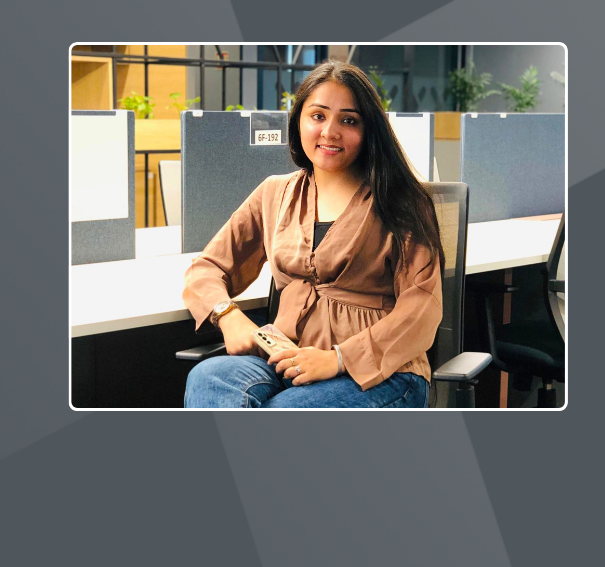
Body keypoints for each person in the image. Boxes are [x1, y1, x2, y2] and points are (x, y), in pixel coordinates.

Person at [182, 61, 446, 408]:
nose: (330, 132)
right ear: (299, 122)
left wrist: (337, 359)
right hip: (288, 359)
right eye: (318, 116)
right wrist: (227, 316)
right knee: (209, 378)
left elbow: (422, 307)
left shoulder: (402, 201)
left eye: (348, 120)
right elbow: (206, 270)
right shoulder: (274, 193)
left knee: (288, 409)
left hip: (384, 372)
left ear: (369, 130)